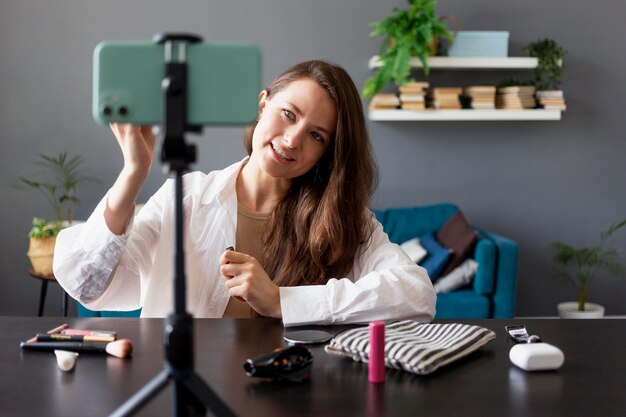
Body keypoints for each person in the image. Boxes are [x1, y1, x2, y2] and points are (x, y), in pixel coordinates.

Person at [53, 60, 436, 326]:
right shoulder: (187, 199)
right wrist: (134, 172)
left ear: (327, 153)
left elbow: (417, 295)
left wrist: (281, 301)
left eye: (316, 135)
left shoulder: (341, 220)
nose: (292, 140)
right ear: (263, 102)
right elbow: (87, 283)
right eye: (289, 114)